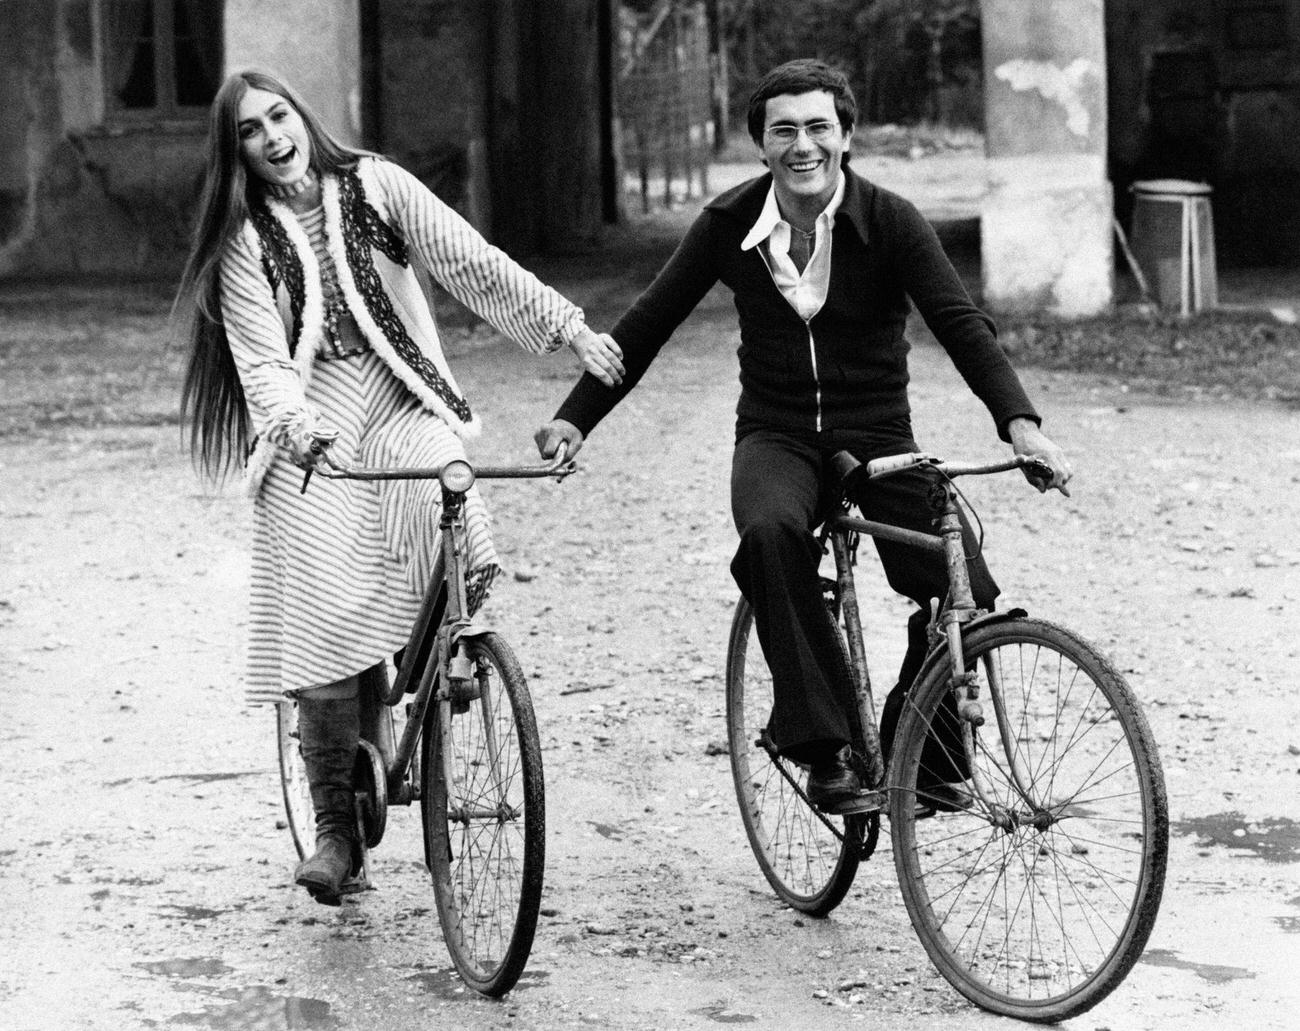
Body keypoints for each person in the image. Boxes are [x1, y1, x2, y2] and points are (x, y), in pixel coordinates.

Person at [535, 59, 1071, 813]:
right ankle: (826, 749)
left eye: (819, 127)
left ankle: (922, 751)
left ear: (846, 136)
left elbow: (960, 323)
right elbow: (648, 323)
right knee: (770, 533)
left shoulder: (891, 221)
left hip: (879, 431)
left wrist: (1021, 425)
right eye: (783, 130)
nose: (803, 146)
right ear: (760, 144)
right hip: (776, 434)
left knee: (964, 591)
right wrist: (575, 416)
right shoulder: (728, 225)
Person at [177, 69, 624, 905]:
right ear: (235, 152)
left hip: (401, 401)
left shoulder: (375, 184)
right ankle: (336, 831)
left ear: (302, 116)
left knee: (458, 515)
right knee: (325, 617)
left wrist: (570, 328)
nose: (273, 138)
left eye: (279, 116)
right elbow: (262, 366)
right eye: (250, 131)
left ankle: (426, 680)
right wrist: (297, 428)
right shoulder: (242, 240)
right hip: (311, 425)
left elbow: (471, 262)